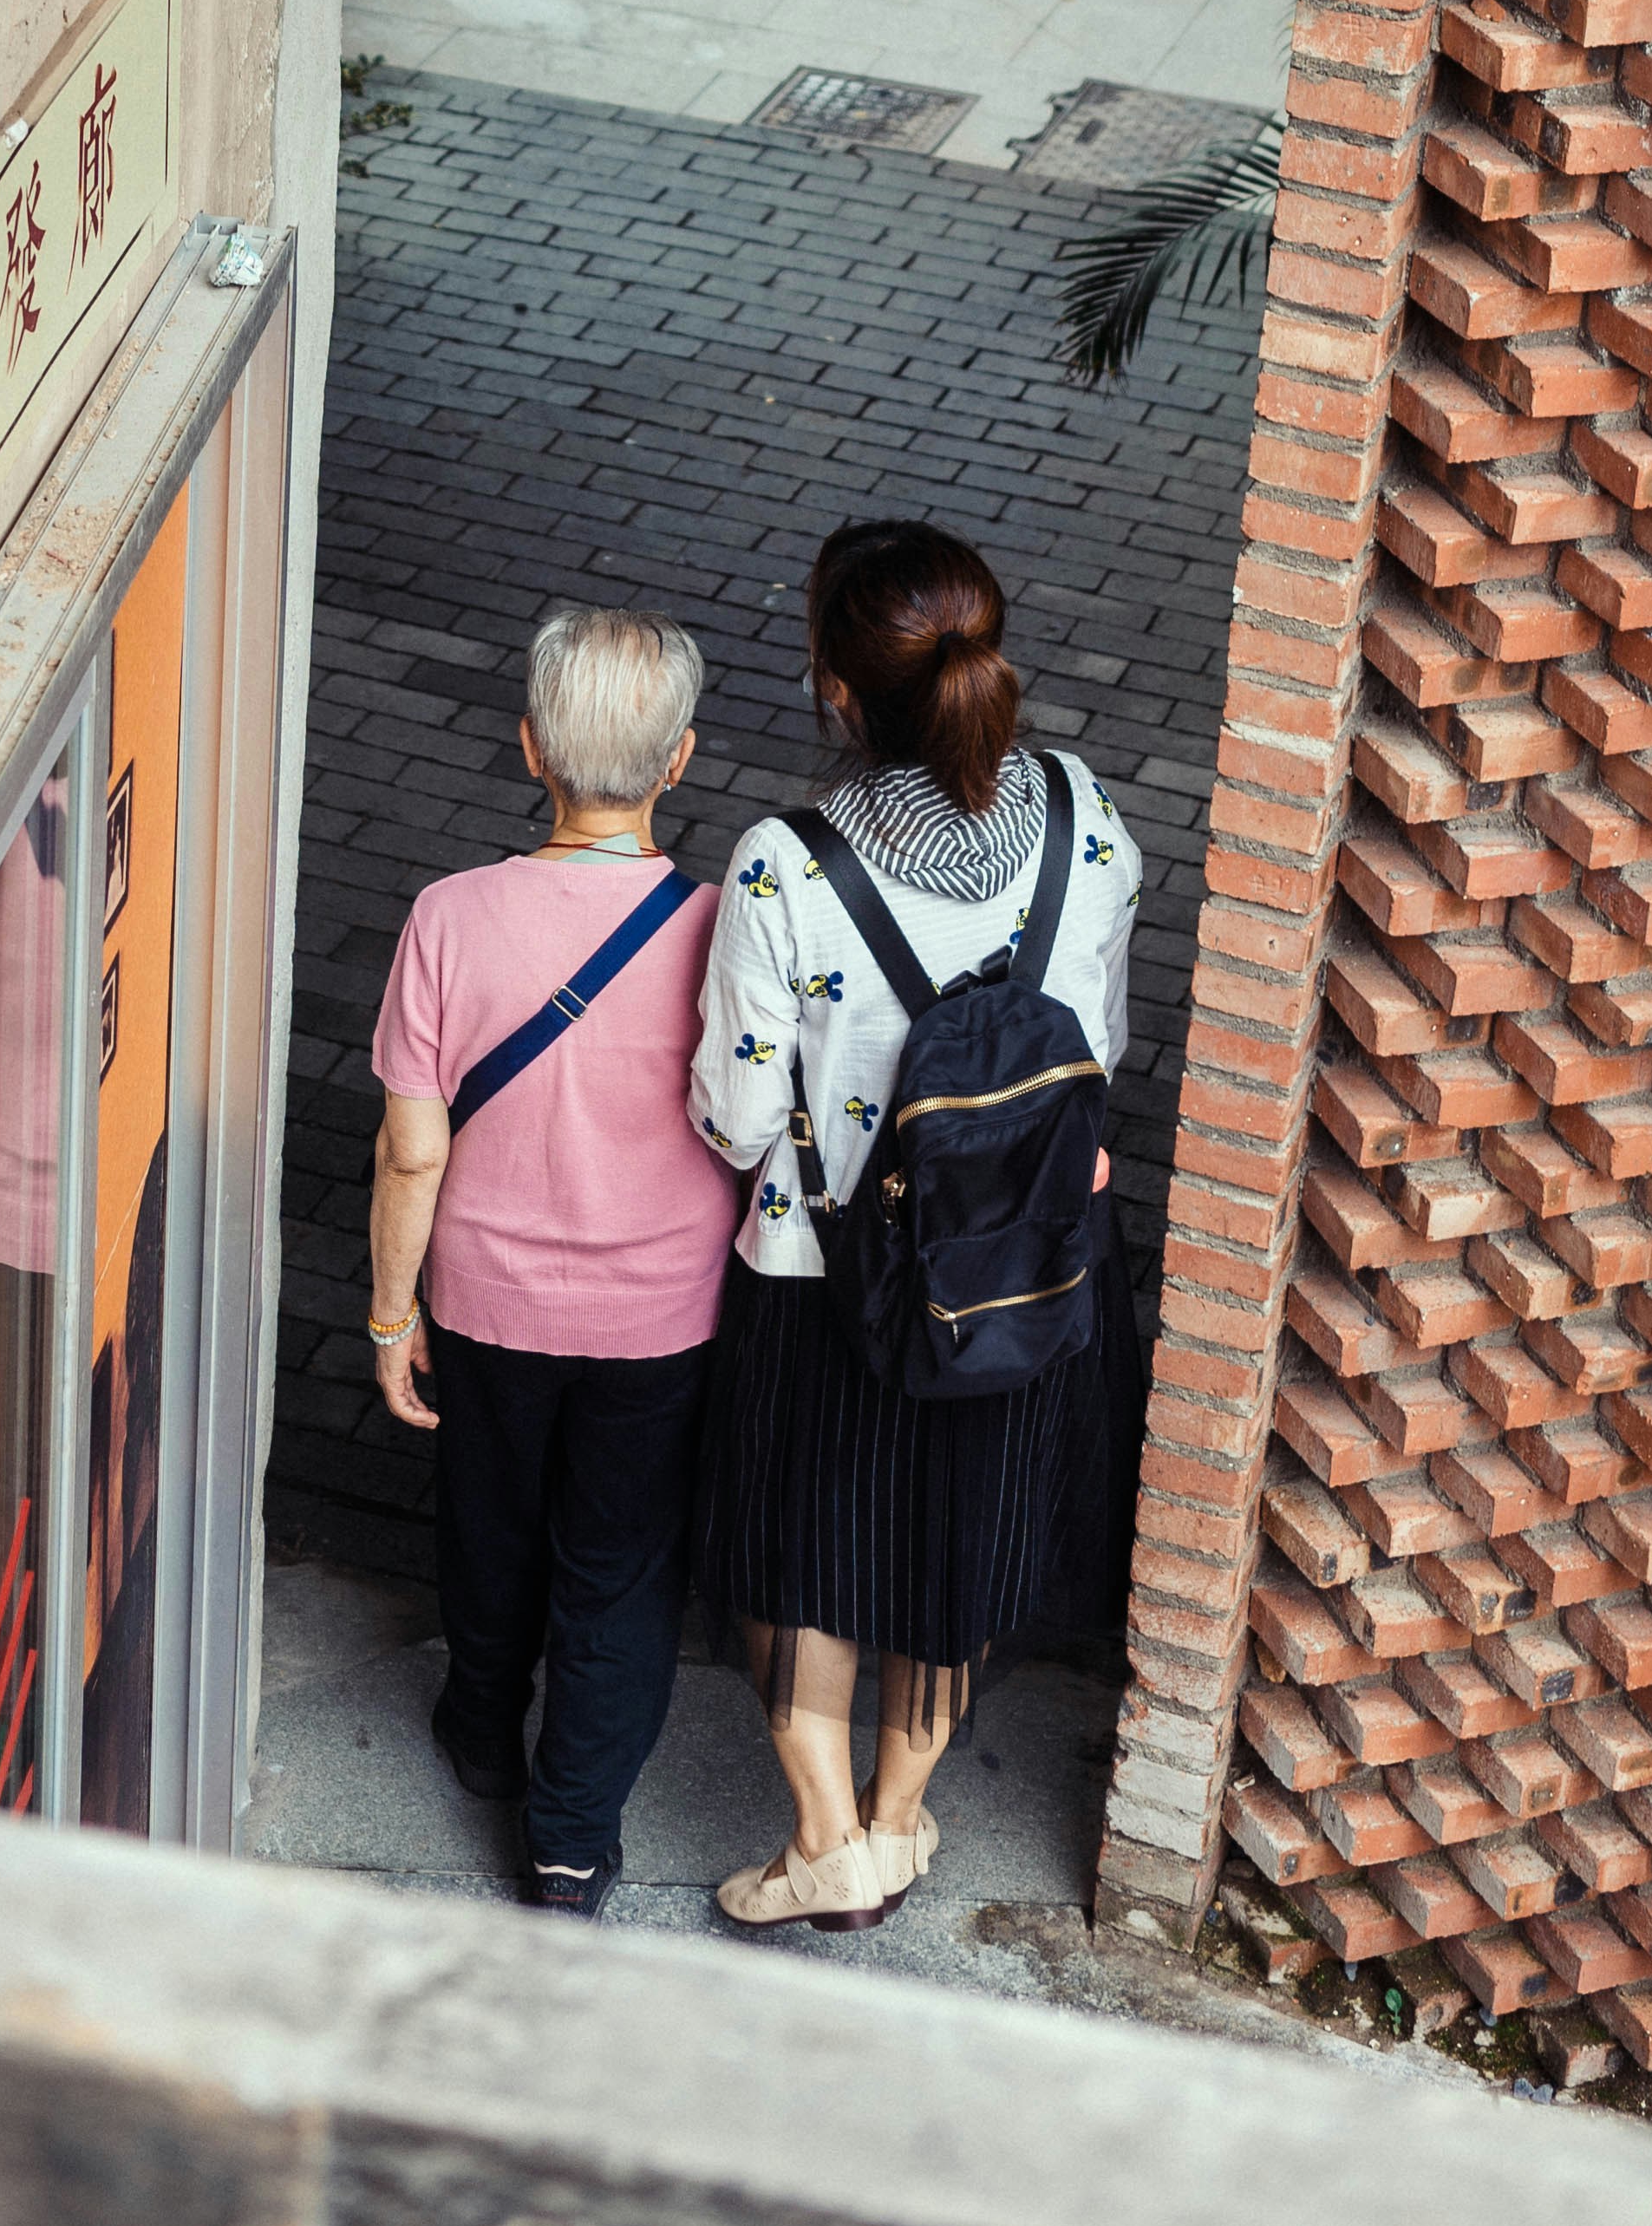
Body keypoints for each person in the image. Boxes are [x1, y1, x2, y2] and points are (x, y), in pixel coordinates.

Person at [689, 519, 1144, 1936]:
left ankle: (826, 1842)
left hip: (825, 1275)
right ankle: (899, 1817)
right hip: (1029, 1266)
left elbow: (737, 1118)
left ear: (836, 685)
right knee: (963, 1546)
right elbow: (1103, 1047)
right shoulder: (1087, 818)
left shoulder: (784, 865)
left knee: (800, 1552)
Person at [368, 604, 737, 1919]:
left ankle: (478, 1731)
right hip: (666, 1317)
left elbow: (414, 1151)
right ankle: (572, 1836)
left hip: (486, 1304)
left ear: (529, 748)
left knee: (490, 1527)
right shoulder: (722, 929)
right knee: (621, 1566)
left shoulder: (450, 918)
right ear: (680, 761)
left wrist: (384, 1314)